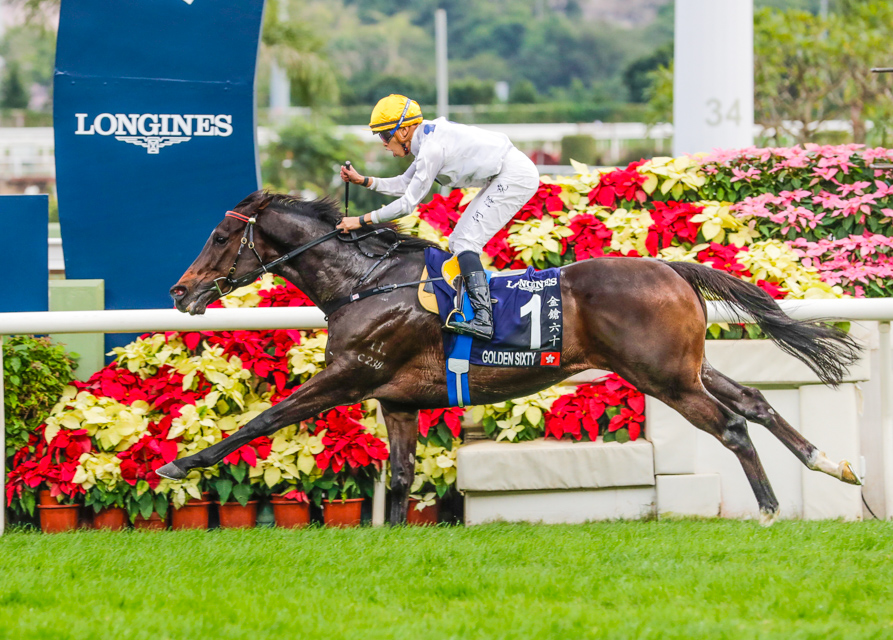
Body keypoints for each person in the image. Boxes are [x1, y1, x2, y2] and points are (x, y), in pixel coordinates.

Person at [336, 94, 539, 341]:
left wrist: (361, 221)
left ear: (403, 132)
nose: (383, 143)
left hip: (514, 176)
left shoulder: (431, 148)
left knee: (465, 243)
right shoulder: (425, 140)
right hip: (504, 174)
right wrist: (364, 181)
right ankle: (473, 310)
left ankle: (484, 320)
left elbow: (406, 204)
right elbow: (404, 183)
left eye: (384, 135)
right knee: (458, 241)